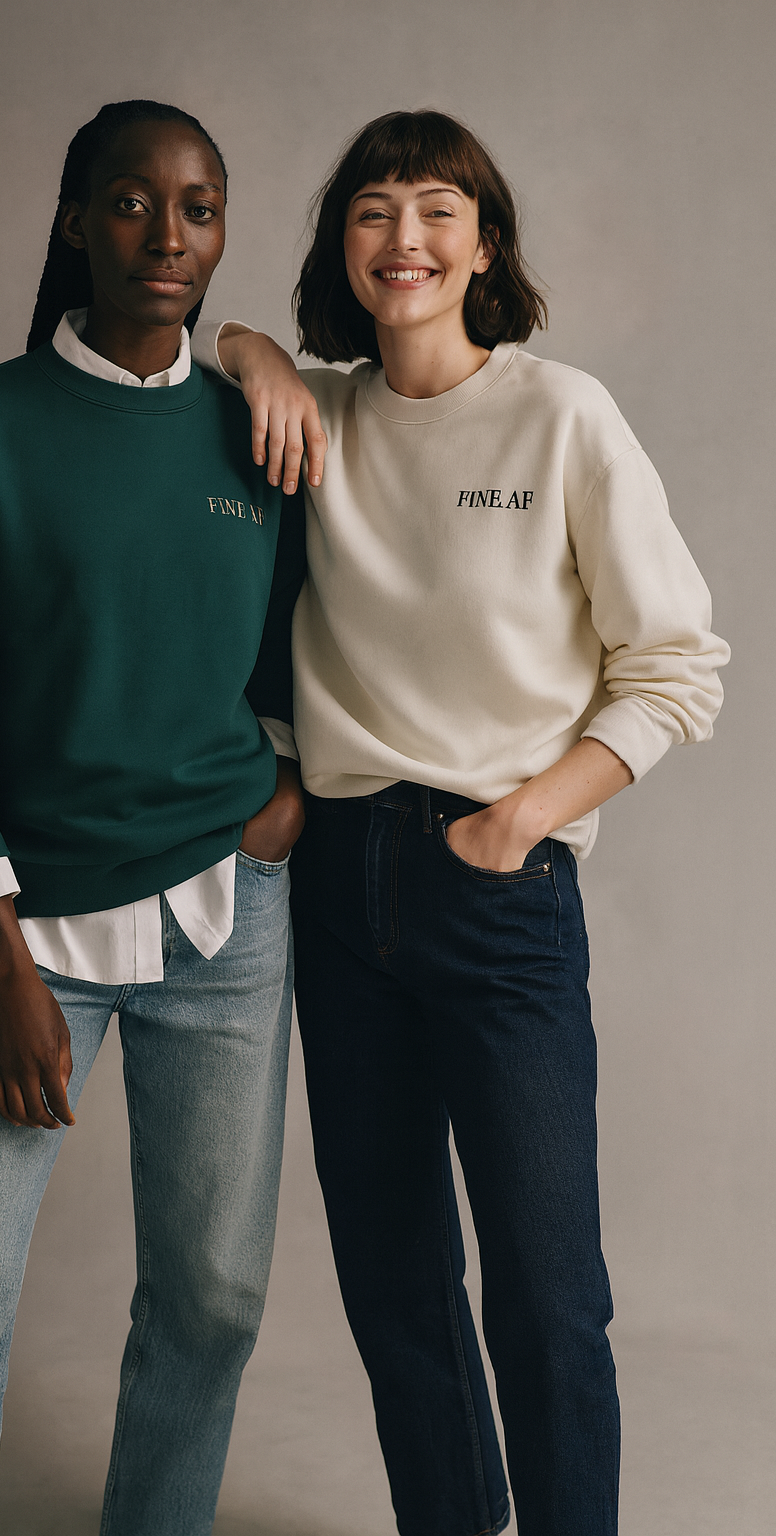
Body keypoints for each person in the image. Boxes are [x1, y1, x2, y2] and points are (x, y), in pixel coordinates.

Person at [191, 109, 730, 1536]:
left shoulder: (563, 416)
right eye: (373, 211)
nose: (405, 238)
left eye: (438, 209)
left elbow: (678, 664)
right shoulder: (312, 416)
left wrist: (527, 819)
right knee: (393, 1279)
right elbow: (198, 352)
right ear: (343, 246)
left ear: (485, 244)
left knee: (549, 1292)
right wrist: (251, 351)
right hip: (341, 883)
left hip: (498, 883)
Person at [0, 99, 307, 1536]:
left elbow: (303, 644)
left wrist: (286, 779)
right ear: (73, 220)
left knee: (217, 1297)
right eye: (130, 201)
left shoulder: (256, 429)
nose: (167, 237)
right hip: (28, 928)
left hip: (229, 923)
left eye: (200, 207)